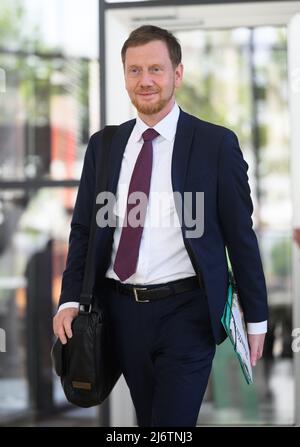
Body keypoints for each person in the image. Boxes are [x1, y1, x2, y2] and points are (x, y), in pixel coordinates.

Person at [53, 25, 268, 427]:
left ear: (177, 74)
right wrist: (69, 299)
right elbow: (84, 228)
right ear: (124, 77)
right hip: (120, 314)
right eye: (134, 71)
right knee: (147, 420)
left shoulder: (215, 145)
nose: (145, 80)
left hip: (187, 314)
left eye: (155, 68)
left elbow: (241, 237)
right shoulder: (105, 146)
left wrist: (256, 318)